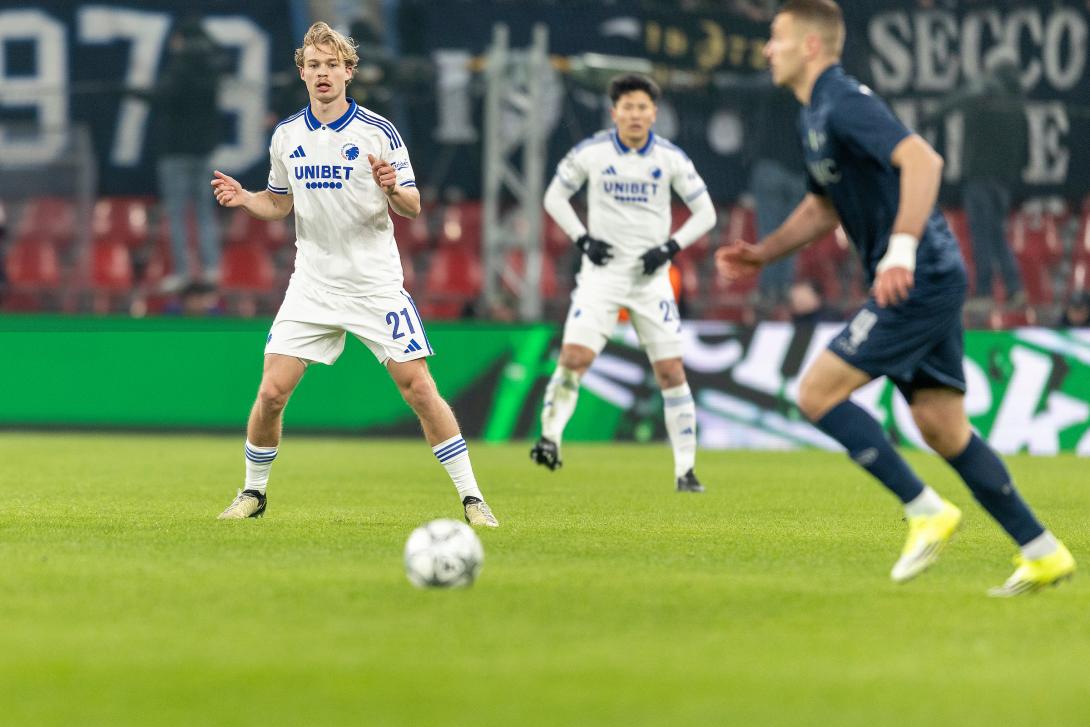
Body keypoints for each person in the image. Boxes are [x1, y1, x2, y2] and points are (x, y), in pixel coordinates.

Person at [716, 0, 1073, 595]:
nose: (767, 49)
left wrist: (901, 249)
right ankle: (1042, 551)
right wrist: (763, 254)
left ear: (810, 45)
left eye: (776, 37)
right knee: (942, 427)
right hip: (928, 274)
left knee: (817, 393)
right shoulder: (813, 114)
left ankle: (925, 510)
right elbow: (822, 206)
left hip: (919, 273)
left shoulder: (844, 101)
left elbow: (922, 161)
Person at [209, 22, 498, 527]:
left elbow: (412, 205)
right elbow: (278, 203)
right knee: (271, 393)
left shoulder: (378, 132)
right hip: (312, 285)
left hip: (373, 285)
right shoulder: (287, 135)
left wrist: (392, 188)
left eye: (332, 65)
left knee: (419, 389)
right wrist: (246, 199)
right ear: (302, 73)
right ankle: (253, 493)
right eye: (314, 65)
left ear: (349, 72)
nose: (323, 73)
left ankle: (473, 499)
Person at [531, 74, 717, 492]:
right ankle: (549, 439)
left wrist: (669, 248)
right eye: (628, 107)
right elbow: (553, 197)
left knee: (670, 371)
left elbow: (706, 213)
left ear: (654, 113)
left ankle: (686, 471)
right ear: (614, 113)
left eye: (642, 107)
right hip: (602, 276)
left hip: (651, 280)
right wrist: (583, 240)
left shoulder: (670, 158)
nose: (635, 114)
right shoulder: (592, 152)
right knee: (574, 358)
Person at [927, 51, 1028, 308]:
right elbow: (1025, 147)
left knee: (982, 234)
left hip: (979, 177)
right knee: (997, 234)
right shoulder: (1016, 98)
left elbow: (950, 105)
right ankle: (1014, 288)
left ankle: (984, 292)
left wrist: (927, 119)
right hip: (1004, 180)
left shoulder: (983, 90)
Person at [151, 16, 225, 292]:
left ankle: (183, 272)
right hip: (203, 150)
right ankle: (211, 268)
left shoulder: (178, 69)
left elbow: (161, 97)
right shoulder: (212, 67)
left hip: (175, 151)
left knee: (177, 213)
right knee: (204, 211)